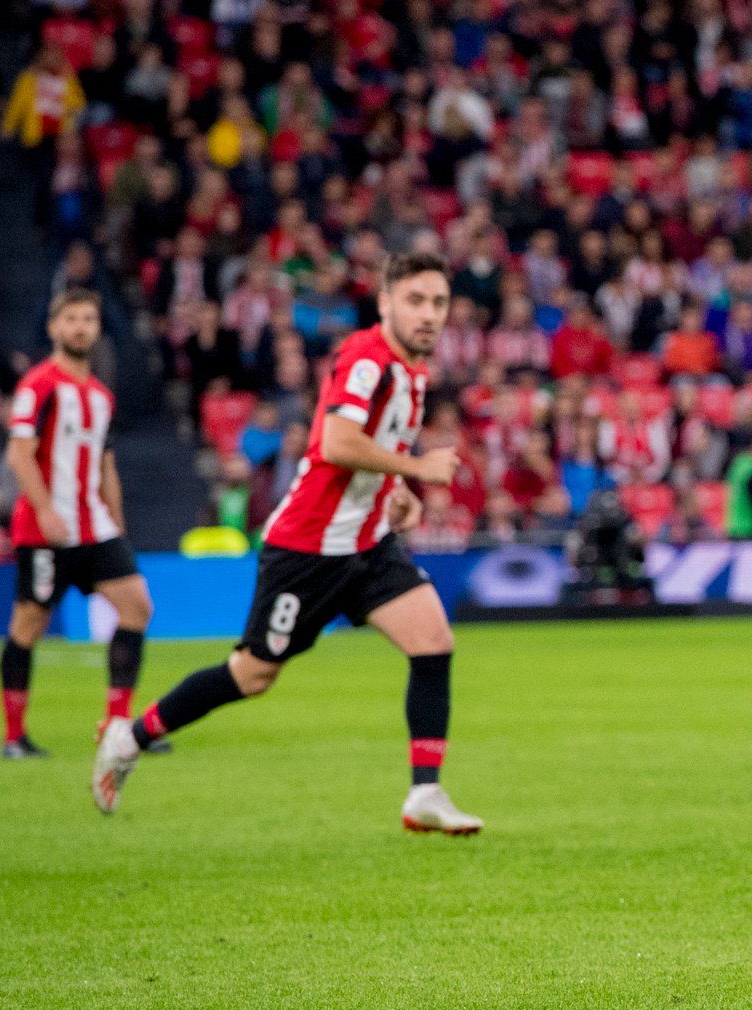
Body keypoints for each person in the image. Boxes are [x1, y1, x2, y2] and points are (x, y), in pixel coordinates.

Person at [93, 254, 483, 835]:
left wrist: (399, 488)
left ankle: (425, 791)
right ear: (385, 304)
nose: (429, 314)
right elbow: (337, 442)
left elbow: (376, 451)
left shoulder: (415, 371)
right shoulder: (364, 359)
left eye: (438, 302)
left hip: (368, 545)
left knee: (433, 641)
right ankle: (134, 735)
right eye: (416, 300)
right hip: (307, 551)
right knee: (252, 675)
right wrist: (419, 467)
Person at [0, 291, 155, 760]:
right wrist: (45, 509)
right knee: (30, 623)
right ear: (54, 327)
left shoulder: (102, 397)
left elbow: (106, 465)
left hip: (95, 527)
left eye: (89, 318)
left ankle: (115, 726)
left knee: (137, 607)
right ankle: (14, 737)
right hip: (45, 529)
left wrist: (117, 522)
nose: (81, 327)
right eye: (72, 319)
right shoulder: (39, 385)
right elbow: (18, 453)